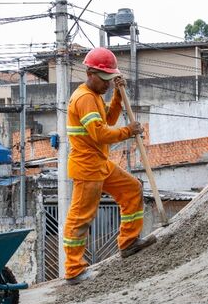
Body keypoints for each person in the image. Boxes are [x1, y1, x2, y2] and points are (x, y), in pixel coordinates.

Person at [63, 47, 157, 285]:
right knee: (80, 218)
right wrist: (129, 132)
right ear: (90, 72)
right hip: (87, 168)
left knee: (132, 189)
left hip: (99, 164)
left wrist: (117, 94)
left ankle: (128, 242)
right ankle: (74, 270)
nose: (106, 83)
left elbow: (109, 119)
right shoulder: (84, 98)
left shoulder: (94, 96)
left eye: (109, 79)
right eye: (105, 79)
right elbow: (99, 133)